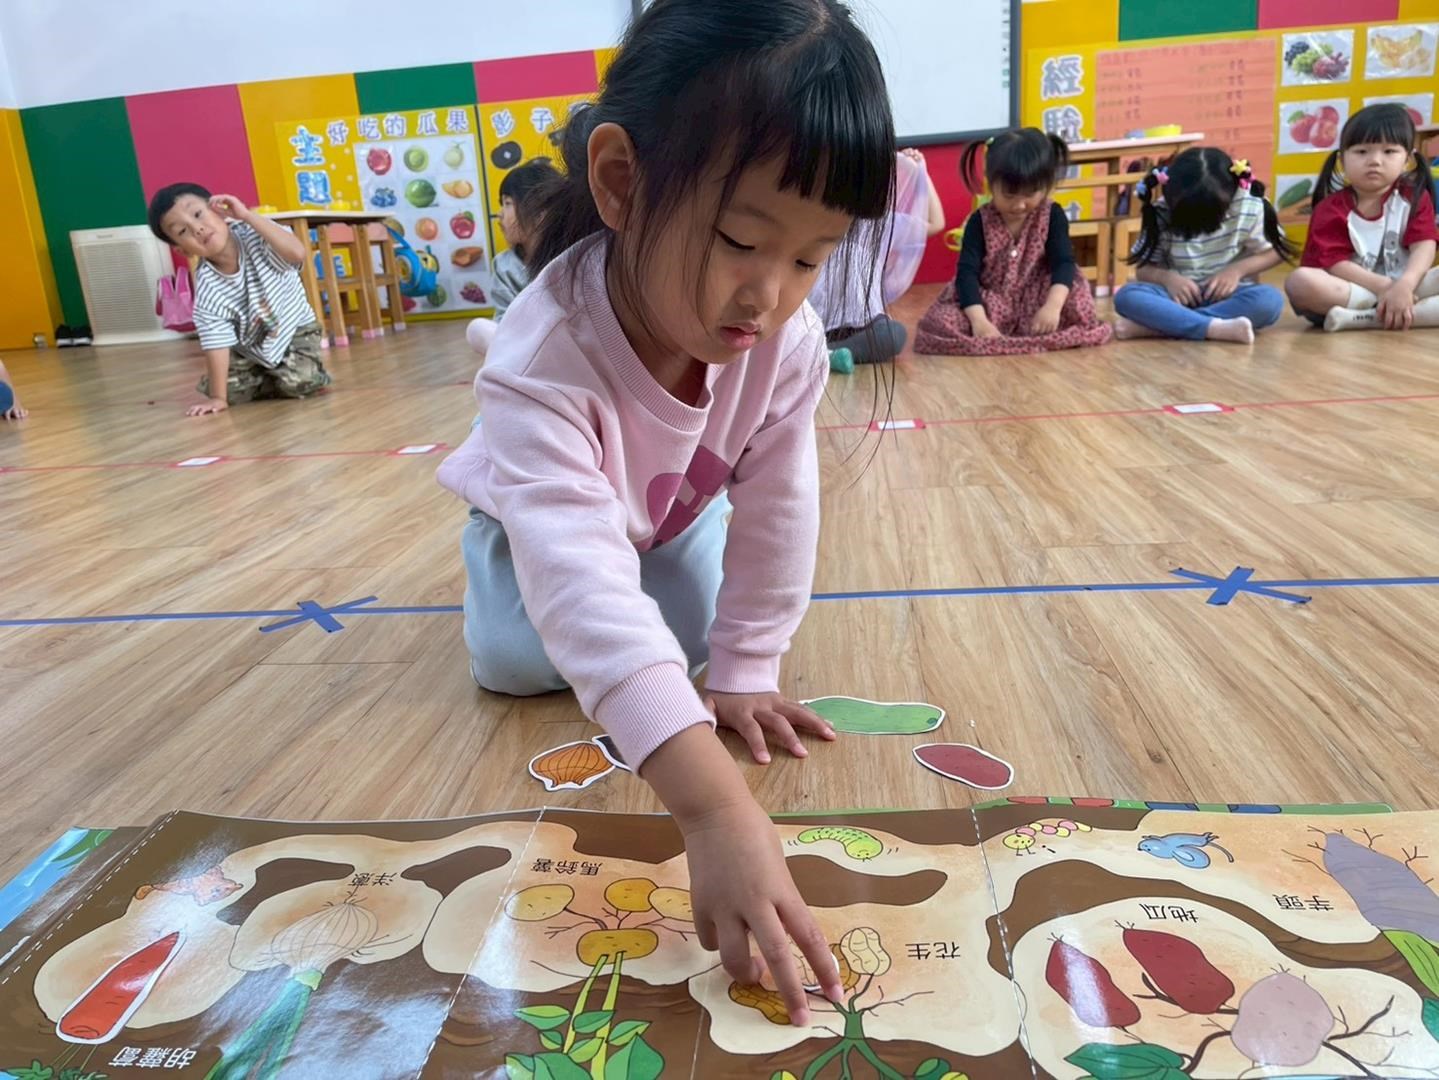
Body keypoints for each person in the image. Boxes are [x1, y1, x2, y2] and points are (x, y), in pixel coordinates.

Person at [435, 0, 895, 1024]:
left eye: (811, 258)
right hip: (537, 518)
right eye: (740, 241)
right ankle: (493, 543)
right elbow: (580, 585)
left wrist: (748, 666)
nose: (769, 295)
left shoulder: (783, 341)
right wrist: (712, 809)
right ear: (620, 182)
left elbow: (779, 504)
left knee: (691, 648)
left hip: (670, 513)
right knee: (516, 660)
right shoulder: (544, 362)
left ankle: (673, 588)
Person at [914, 128, 1111, 356]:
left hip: (1039, 301)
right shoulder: (979, 221)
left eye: (1030, 194)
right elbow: (966, 274)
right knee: (940, 321)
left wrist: (1053, 306)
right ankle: (996, 333)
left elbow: (1064, 263)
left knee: (1078, 301)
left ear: (1046, 186)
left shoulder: (1052, 215)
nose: (1019, 205)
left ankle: (1024, 331)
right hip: (990, 303)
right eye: (1009, 195)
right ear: (991, 184)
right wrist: (979, 320)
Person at [147, 183, 329, 416]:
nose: (197, 229)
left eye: (198, 214)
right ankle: (267, 376)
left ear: (219, 211)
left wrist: (246, 215)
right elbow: (217, 343)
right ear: (183, 251)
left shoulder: (257, 236)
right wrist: (218, 398)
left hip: (296, 332)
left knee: (298, 382)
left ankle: (286, 376)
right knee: (226, 391)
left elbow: (296, 253)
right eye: (182, 231)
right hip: (249, 349)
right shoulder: (208, 288)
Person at [1113, 148, 1294, 343]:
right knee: (1126, 296)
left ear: (1230, 196)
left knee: (1269, 300)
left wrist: (1236, 271)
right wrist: (1168, 279)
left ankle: (1162, 327)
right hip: (1175, 298)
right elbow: (1143, 269)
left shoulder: (1248, 207)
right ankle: (1213, 327)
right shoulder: (1161, 212)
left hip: (1228, 297)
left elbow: (1276, 251)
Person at [1285, 103, 1439, 331]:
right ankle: (1409, 313)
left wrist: (1405, 285)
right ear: (1342, 160)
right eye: (1361, 151)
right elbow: (1334, 264)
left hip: (1407, 285)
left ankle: (1365, 318)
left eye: (1389, 151)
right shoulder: (1330, 209)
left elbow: (1424, 245)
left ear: (1407, 159)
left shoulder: (1414, 197)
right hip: (1351, 291)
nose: (1375, 160)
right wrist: (1386, 287)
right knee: (1299, 282)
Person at [807, 147, 944, 366]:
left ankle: (826, 354)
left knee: (894, 333)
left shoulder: (881, 224)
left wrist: (921, 173)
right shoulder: (816, 219)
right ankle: (819, 353)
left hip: (863, 323)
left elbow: (936, 223)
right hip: (815, 320)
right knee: (789, 335)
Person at [465, 158, 561, 358]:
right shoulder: (504, 265)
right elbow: (504, 322)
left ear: (540, 211)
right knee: (478, 329)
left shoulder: (572, 256)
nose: (500, 214)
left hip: (570, 343)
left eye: (507, 203)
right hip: (526, 346)